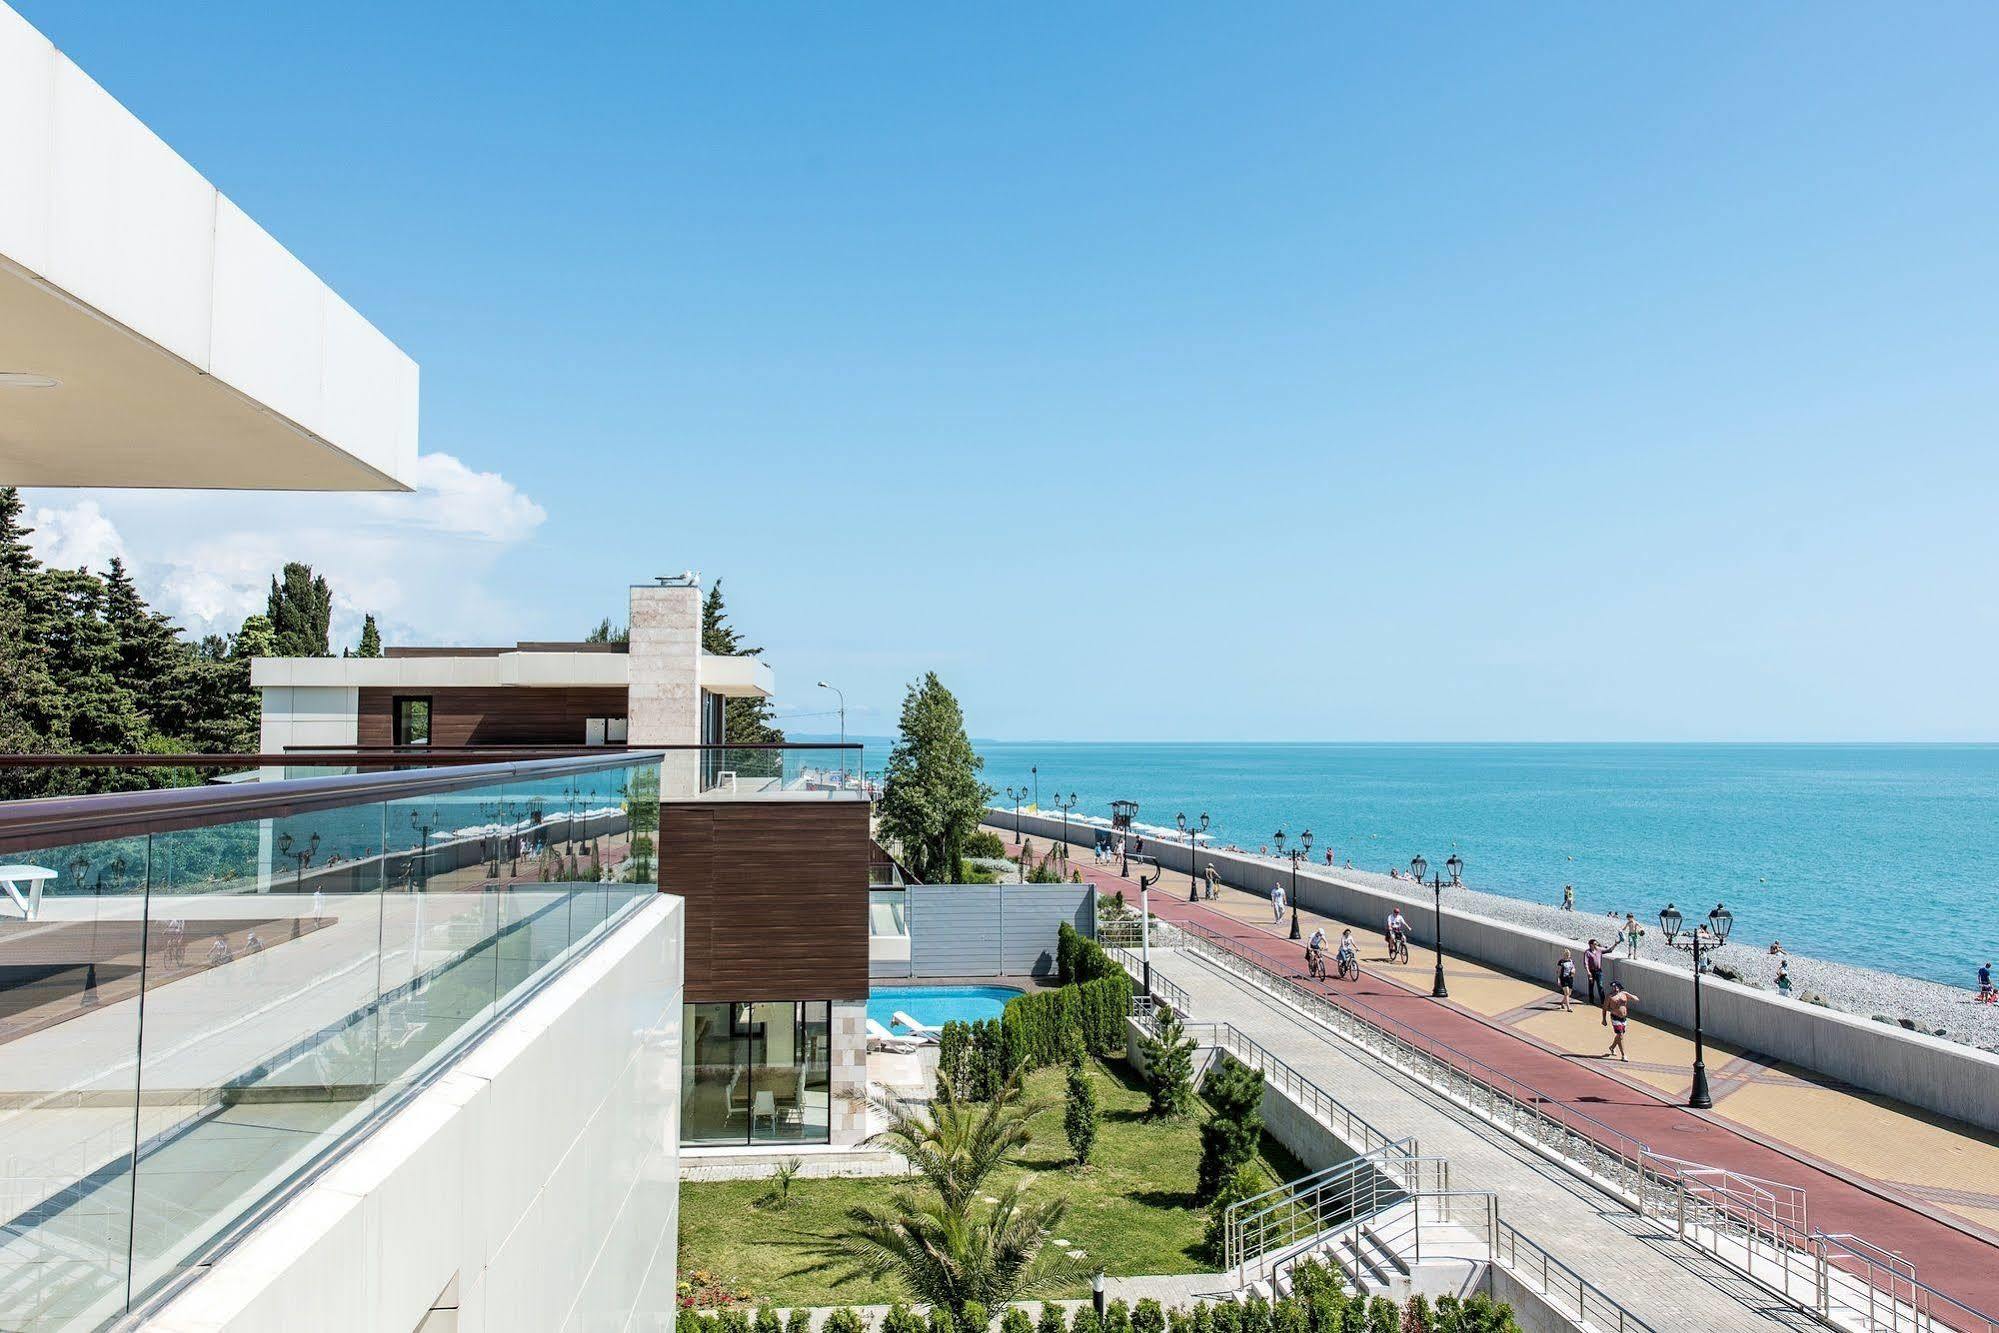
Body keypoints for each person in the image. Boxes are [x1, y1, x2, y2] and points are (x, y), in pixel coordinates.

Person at [1604, 983, 1638, 1060]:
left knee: (1620, 1035)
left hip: (1624, 1017)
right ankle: (1623, 1055)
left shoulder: (1624, 994)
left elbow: (1635, 998)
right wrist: (1604, 1019)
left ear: (1619, 987)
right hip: (1615, 1017)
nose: (1615, 988)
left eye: (1616, 986)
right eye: (1613, 986)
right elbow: (1604, 1008)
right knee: (1621, 1035)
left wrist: (1633, 997)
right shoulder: (1610, 996)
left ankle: (1612, 1047)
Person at [1583, 939, 1606, 1007]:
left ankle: (1603, 1002)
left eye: (1596, 944)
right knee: (1591, 986)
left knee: (1600, 986)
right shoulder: (1587, 952)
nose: (1596, 945)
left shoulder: (1599, 950)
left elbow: (1609, 950)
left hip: (1599, 971)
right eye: (1595, 944)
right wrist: (1588, 972)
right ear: (1591, 945)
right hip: (1591, 972)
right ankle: (1591, 1000)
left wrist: (1615, 944)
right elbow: (1585, 963)